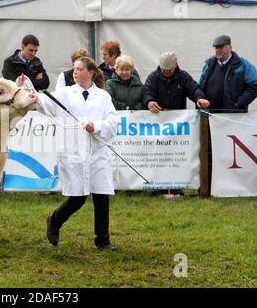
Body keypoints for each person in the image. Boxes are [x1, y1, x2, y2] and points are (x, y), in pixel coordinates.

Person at [18, 57, 119, 250]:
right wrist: (26, 86)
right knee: (78, 197)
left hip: (97, 152)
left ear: (90, 73)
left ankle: (103, 241)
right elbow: (41, 101)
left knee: (101, 197)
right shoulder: (65, 93)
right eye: (74, 69)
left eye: (79, 69)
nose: (75, 72)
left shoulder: (103, 97)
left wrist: (95, 126)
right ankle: (55, 220)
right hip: (74, 152)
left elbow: (113, 122)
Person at [199, 35, 257, 112]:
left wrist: (238, 104)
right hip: (209, 114)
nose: (218, 50)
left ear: (230, 47)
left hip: (233, 116)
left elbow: (254, 86)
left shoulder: (242, 64)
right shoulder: (209, 64)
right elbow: (200, 85)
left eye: (221, 47)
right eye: (216, 47)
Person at [144, 52, 210, 113]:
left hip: (179, 119)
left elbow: (194, 89)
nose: (166, 72)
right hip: (157, 116)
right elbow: (147, 92)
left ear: (176, 65)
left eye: (169, 69)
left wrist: (200, 98)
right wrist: (149, 101)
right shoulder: (153, 77)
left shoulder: (184, 76)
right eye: (163, 69)